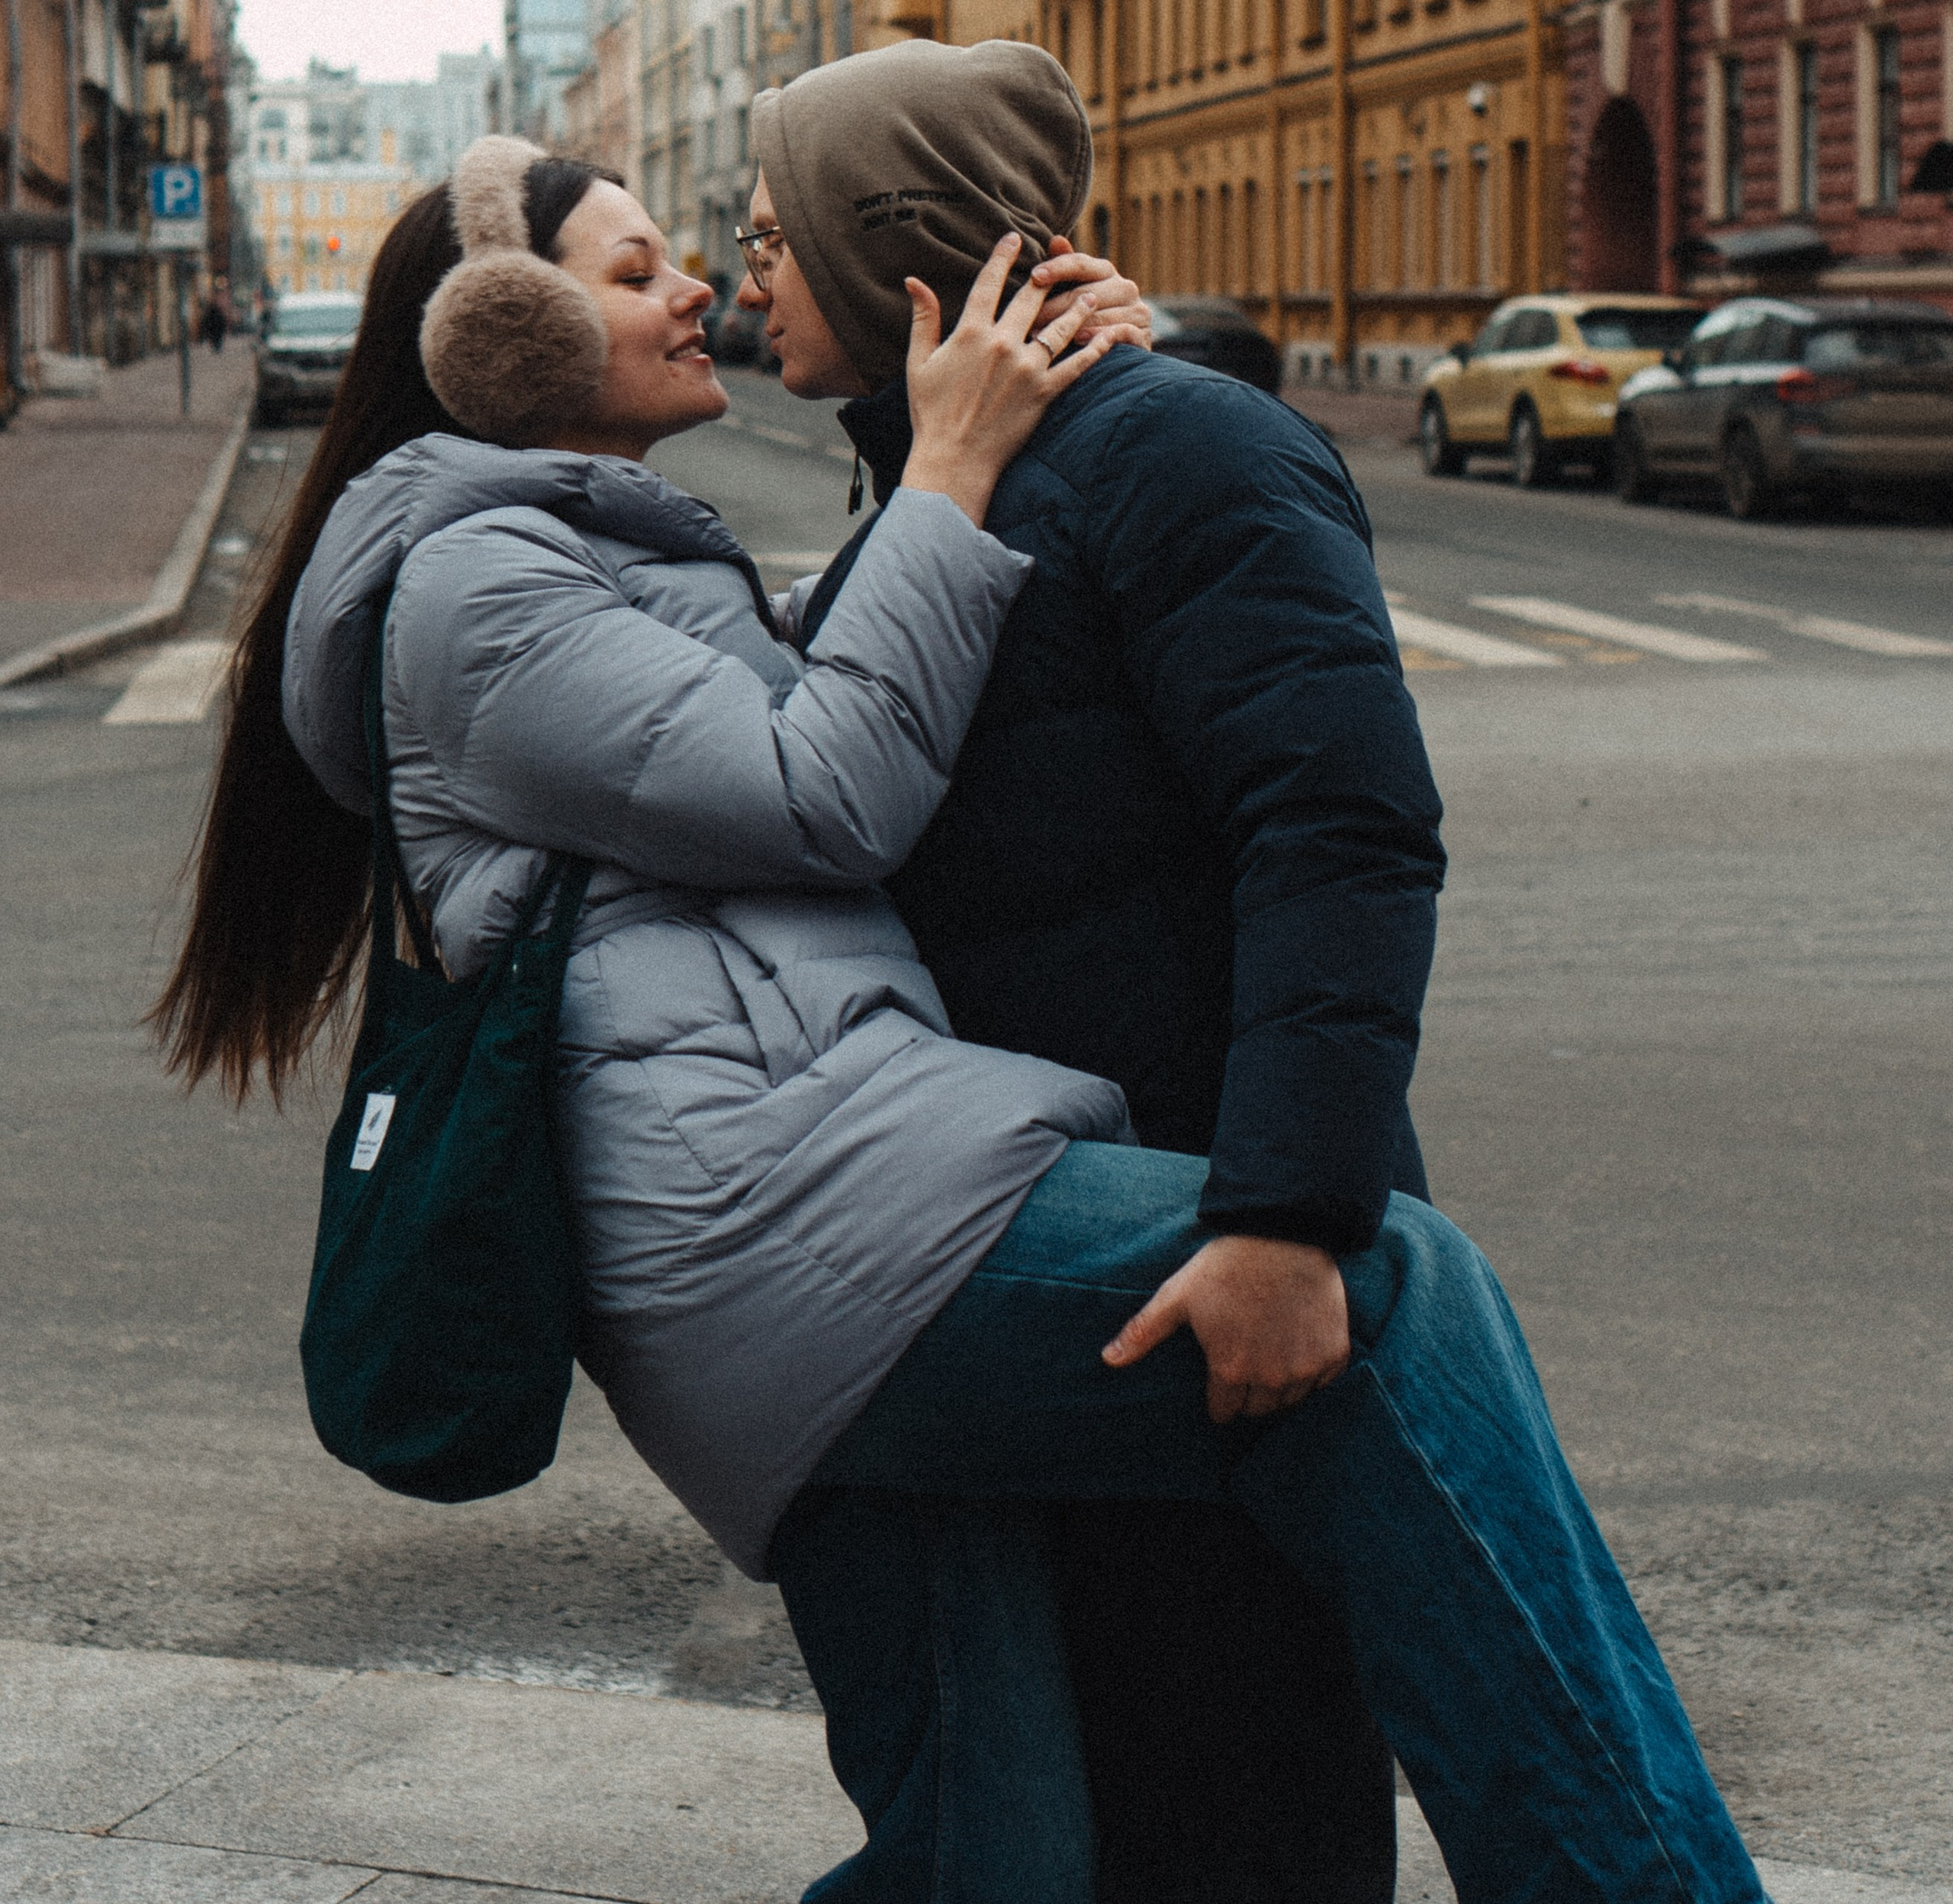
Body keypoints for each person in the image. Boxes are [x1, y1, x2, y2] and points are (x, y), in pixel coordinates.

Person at [155, 134, 1765, 1904]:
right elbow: (829, 782)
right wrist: (947, 466)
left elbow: (879, 660)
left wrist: (1117, 380)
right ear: (497, 337)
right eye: (634, 274)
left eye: (709, 253)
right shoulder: (477, 594)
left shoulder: (601, 556)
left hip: (813, 1218)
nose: (699, 284)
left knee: (989, 1853)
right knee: (1385, 1301)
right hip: (780, 1230)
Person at [736, 40, 1757, 1904]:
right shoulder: (935, 492)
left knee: (1248, 1777)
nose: (746, 281)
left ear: (885, 254)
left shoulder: (1180, 449)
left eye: (768, 239)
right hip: (1058, 1231)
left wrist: (1288, 1214)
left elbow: (1340, 833)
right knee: (1124, 1780)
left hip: (1218, 1221)